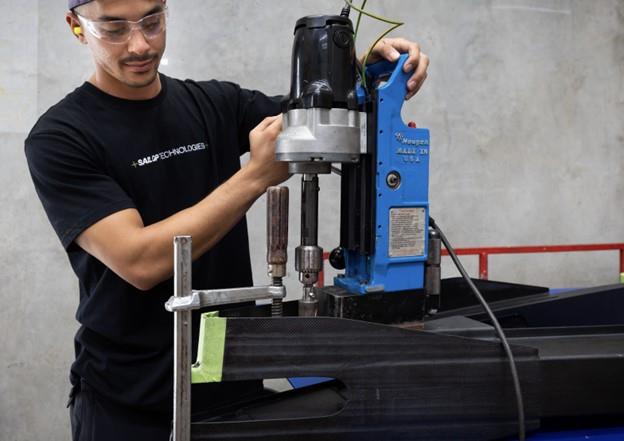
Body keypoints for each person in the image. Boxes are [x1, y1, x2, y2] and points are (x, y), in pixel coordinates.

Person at [24, 0, 430, 439]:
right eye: (114, 29)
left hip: (232, 389)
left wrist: (366, 75)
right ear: (77, 27)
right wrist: (254, 177)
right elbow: (139, 261)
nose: (139, 44)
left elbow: (313, 117)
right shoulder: (61, 137)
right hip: (131, 403)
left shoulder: (215, 104)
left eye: (151, 22)